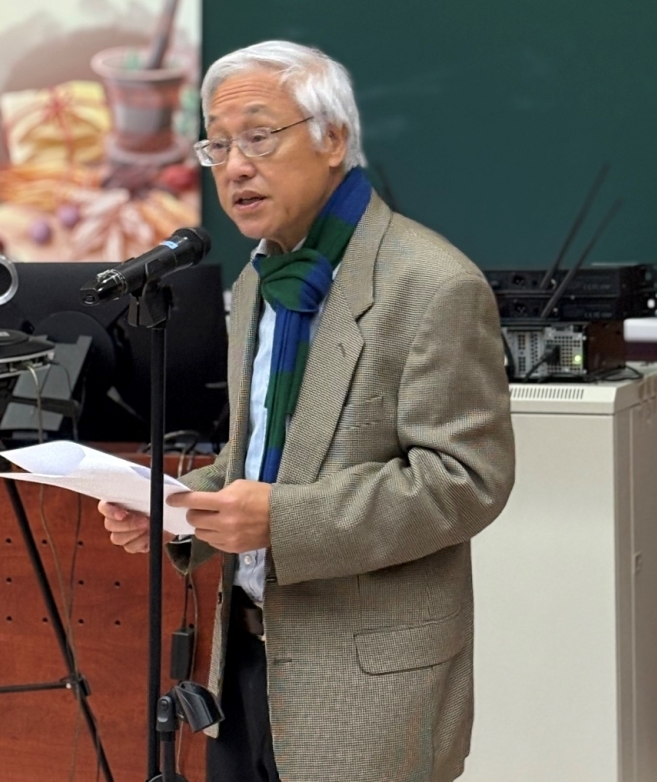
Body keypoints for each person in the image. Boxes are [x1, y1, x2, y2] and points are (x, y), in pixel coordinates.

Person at [99, 40, 515, 782]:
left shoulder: (432, 283)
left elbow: (466, 481)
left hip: (367, 684)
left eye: (259, 136)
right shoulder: (261, 280)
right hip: (246, 665)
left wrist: (282, 521)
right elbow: (259, 458)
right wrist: (176, 505)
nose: (235, 166)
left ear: (333, 139)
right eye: (218, 145)